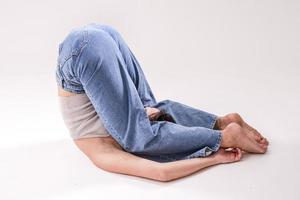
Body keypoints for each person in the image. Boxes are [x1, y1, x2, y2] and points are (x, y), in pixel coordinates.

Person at [55, 23, 269, 182]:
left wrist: (216, 152)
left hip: (80, 55)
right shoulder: (114, 133)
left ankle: (224, 133)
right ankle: (220, 122)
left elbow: (161, 171)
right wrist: (213, 158)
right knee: (155, 110)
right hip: (102, 36)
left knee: (138, 136)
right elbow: (160, 168)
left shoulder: (107, 148)